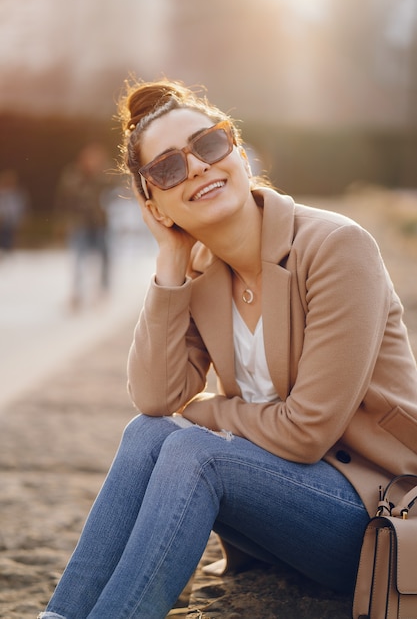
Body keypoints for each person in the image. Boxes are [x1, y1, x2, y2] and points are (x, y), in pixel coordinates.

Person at [38, 78, 417, 619]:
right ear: (157, 205)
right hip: (278, 514)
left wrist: (206, 412)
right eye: (167, 168)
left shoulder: (335, 248)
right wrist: (169, 267)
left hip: (377, 512)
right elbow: (154, 398)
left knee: (195, 448)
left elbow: (308, 432)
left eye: (209, 144)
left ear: (237, 150)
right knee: (149, 433)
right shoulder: (199, 271)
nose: (195, 167)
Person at [55, 142, 113, 310]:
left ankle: (104, 289)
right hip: (79, 223)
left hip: (100, 223)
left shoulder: (104, 174)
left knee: (105, 256)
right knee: (78, 258)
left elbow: (112, 192)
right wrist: (62, 221)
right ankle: (77, 292)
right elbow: (64, 199)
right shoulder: (73, 175)